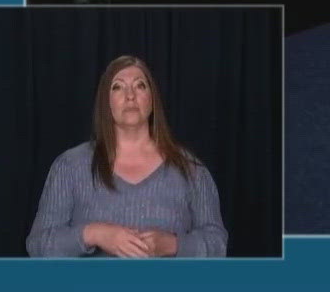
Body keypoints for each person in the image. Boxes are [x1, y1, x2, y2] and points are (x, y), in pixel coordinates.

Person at [25, 55, 227, 257]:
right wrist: (95, 234)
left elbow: (218, 244)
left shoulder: (190, 169)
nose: (130, 95)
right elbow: (39, 245)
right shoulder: (70, 167)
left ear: (152, 99)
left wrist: (172, 244)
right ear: (106, 102)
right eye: (118, 87)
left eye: (140, 86)